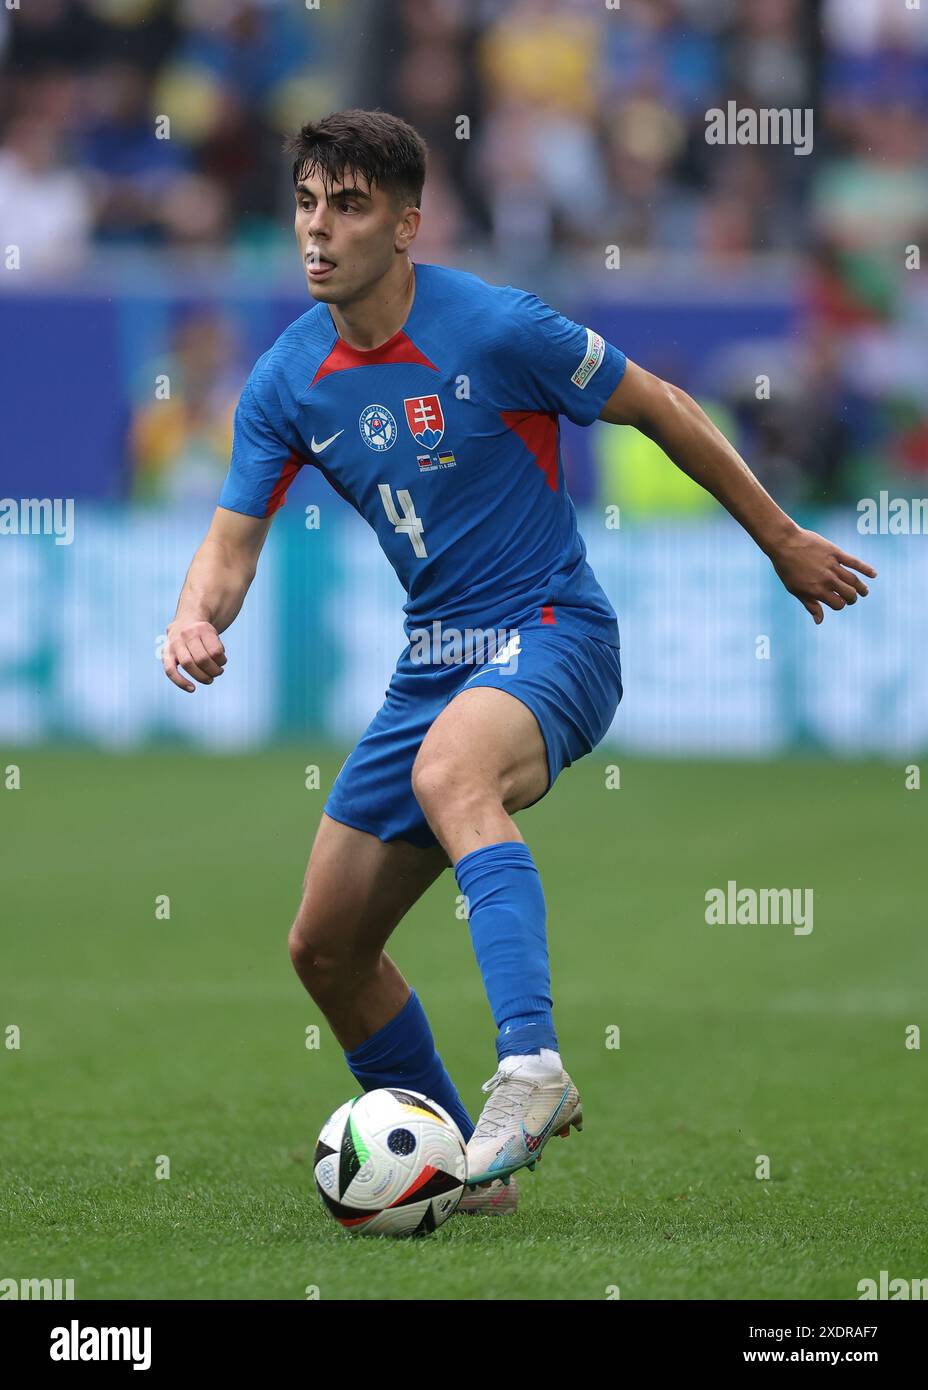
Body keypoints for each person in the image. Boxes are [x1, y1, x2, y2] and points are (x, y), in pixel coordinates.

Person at [162, 109, 876, 1216]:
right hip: (430, 664)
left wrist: (780, 540)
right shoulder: (285, 379)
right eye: (305, 203)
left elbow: (659, 405)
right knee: (325, 946)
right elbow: (229, 543)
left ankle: (532, 1066)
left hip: (552, 630)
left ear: (406, 224)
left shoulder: (495, 328)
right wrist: (194, 619)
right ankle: (460, 1178)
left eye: (347, 206)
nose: (317, 230)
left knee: (454, 772)